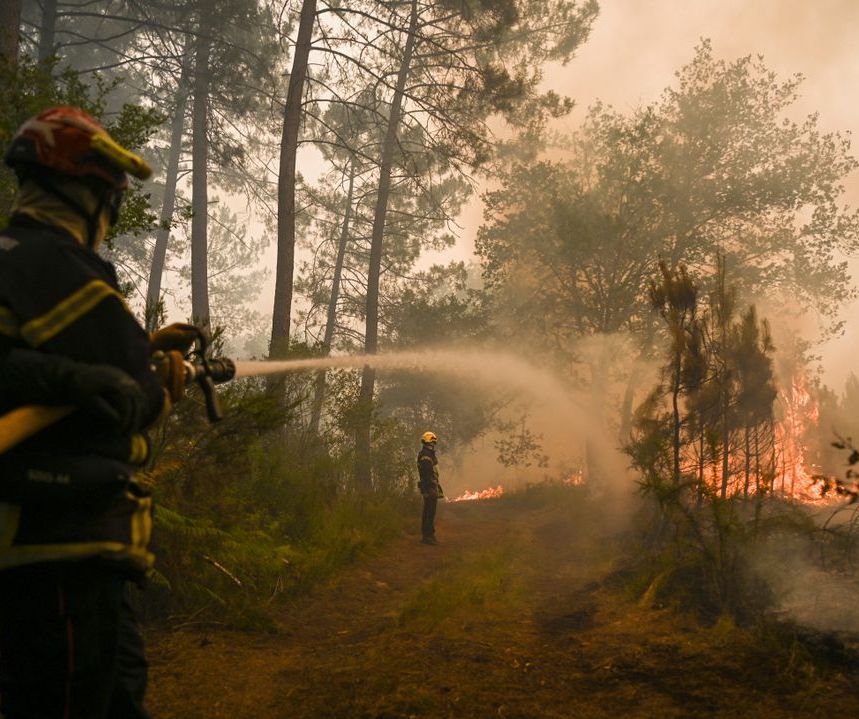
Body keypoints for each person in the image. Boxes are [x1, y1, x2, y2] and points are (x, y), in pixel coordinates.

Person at [0, 106, 196, 719]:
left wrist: (145, 356)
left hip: (41, 546)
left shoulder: (13, 257)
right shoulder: (53, 262)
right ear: (85, 192)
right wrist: (161, 383)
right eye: (109, 197)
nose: (109, 216)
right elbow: (128, 394)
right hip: (55, 550)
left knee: (116, 694)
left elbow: (78, 366)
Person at [417, 431, 443, 545]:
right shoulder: (426, 456)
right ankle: (427, 536)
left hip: (430, 487)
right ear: (429, 442)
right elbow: (427, 474)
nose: (433, 445)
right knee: (429, 512)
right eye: (432, 442)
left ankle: (428, 535)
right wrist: (430, 488)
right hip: (429, 487)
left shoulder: (426, 455)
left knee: (429, 512)